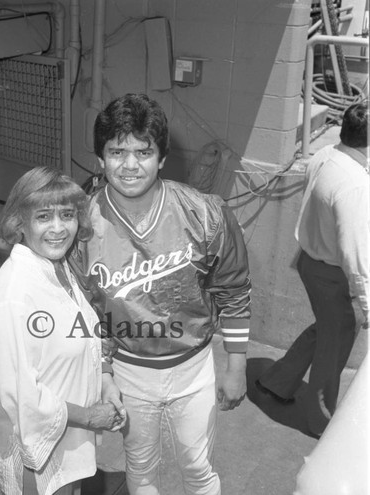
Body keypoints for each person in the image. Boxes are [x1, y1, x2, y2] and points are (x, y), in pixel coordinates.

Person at [70, 93, 252, 495]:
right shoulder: (80, 226)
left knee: (198, 469)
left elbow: (234, 289)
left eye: (143, 151)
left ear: (162, 157)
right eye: (117, 151)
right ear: (100, 158)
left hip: (194, 368)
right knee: (140, 470)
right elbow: (84, 312)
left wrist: (236, 366)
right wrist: (102, 374)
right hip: (129, 371)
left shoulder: (205, 212)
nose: (130, 165)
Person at [0, 166, 126, 495]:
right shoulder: (13, 299)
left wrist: (104, 378)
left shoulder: (56, 268)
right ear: (20, 222)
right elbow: (25, 401)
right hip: (38, 455)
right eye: (44, 216)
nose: (58, 228)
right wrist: (90, 417)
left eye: (68, 215)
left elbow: (81, 333)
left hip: (68, 440)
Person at [256, 102, 369, 437]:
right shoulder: (355, 185)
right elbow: (355, 253)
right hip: (331, 273)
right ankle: (322, 423)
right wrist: (366, 303)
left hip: (310, 262)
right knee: (335, 342)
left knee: (328, 328)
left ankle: (278, 381)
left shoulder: (325, 155)